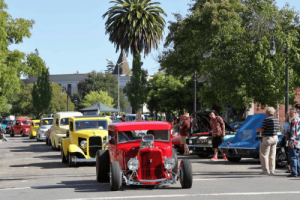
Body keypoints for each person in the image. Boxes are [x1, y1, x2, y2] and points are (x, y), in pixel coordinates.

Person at [256, 107, 280, 175]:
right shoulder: (276, 120)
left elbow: (262, 129)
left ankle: (265, 170)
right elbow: (278, 130)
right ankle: (272, 170)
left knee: (264, 154)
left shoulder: (266, 120)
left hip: (267, 138)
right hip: (275, 137)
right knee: (272, 155)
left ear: (267, 113)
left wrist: (258, 130)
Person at [286, 108, 300, 177]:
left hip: (294, 142)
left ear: (295, 112)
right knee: (297, 158)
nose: (290, 115)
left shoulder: (294, 120)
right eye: (289, 113)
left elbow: (293, 133)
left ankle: (294, 173)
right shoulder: (298, 119)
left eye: (291, 113)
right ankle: (298, 172)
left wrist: (291, 142)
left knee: (293, 157)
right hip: (298, 142)